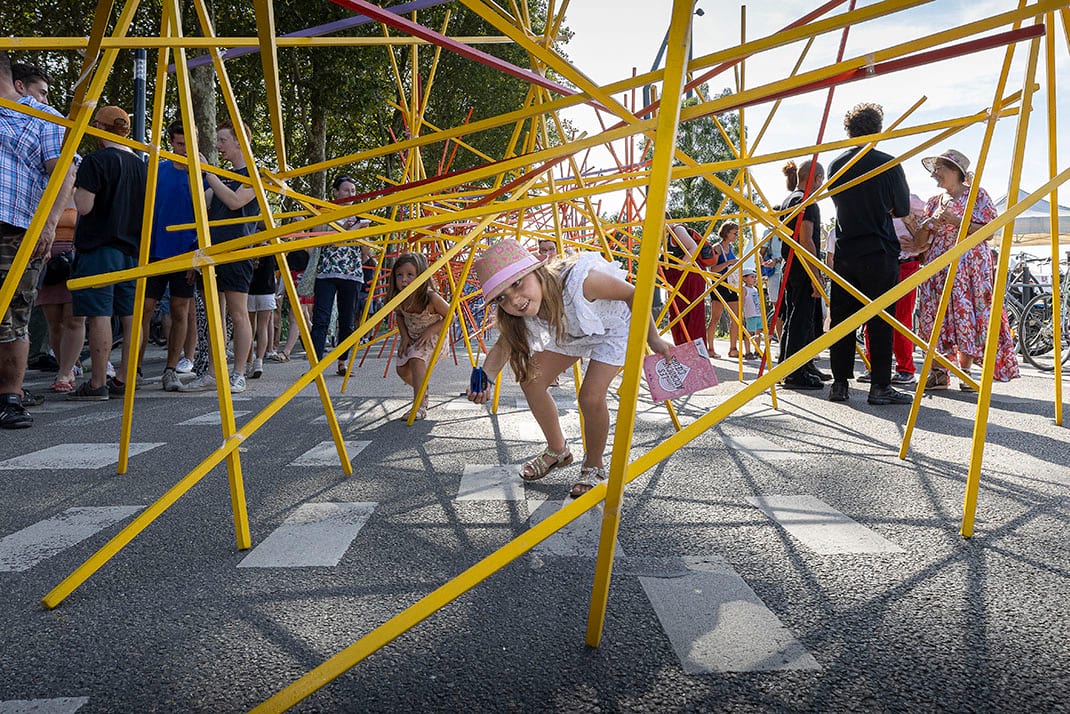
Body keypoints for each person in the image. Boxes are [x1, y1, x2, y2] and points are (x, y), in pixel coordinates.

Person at [467, 240, 673, 498]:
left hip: (614, 327)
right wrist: (484, 377)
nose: (514, 300)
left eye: (518, 283)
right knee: (531, 381)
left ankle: (594, 464)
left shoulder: (580, 282)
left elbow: (634, 293)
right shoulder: (522, 311)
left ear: (537, 271)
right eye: (502, 298)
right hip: (572, 332)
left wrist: (652, 338)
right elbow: (502, 346)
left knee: (589, 397)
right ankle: (558, 451)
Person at [0, 51, 72, 427]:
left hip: (14, 227)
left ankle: (10, 396)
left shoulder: (42, 117)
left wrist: (48, 225)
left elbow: (62, 173)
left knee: (13, 313)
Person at [907, 149, 1019, 390]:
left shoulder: (978, 196)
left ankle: (964, 370)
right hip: (938, 265)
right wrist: (927, 224)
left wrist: (957, 221)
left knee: (966, 313)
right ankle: (938, 371)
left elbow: (989, 231)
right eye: (934, 170)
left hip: (969, 266)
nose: (934, 175)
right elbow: (918, 243)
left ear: (956, 172)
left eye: (939, 169)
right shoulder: (933, 202)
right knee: (935, 314)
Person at [826, 103, 912, 405]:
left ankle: (840, 383)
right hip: (879, 249)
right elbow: (902, 208)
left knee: (843, 319)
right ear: (878, 129)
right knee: (881, 317)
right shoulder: (888, 163)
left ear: (848, 131)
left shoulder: (836, 165)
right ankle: (880, 386)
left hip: (847, 248)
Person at [67, 105, 147, 402]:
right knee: (130, 315)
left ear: (100, 129)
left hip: (100, 247)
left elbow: (84, 206)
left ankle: (97, 381)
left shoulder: (95, 161)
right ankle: (125, 377)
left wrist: (76, 185)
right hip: (133, 250)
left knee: (99, 314)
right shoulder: (142, 165)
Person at [180, 120, 257, 393]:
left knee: (238, 314)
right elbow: (202, 201)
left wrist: (208, 173)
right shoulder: (222, 175)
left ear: (239, 141)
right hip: (213, 252)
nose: (218, 146)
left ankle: (238, 373)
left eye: (223, 140)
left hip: (238, 251)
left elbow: (236, 201)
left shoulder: (253, 174)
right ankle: (213, 372)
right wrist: (196, 173)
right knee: (215, 315)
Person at [143, 120, 199, 392]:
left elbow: (207, 218)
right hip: (153, 252)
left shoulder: (202, 175)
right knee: (143, 309)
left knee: (180, 311)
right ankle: (134, 367)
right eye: (180, 144)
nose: (185, 149)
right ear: (171, 144)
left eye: (189, 144)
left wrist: (197, 255)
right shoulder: (156, 169)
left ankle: (171, 369)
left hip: (186, 254)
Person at [857, 193, 927, 386]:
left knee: (901, 318)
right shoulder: (870, 201)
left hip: (905, 263)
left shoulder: (910, 200)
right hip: (878, 263)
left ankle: (905, 368)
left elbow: (928, 228)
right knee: (873, 317)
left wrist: (919, 244)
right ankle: (874, 366)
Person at [777, 160, 827, 390]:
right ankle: (796, 371)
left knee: (796, 316)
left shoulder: (790, 199)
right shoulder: (805, 201)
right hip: (802, 265)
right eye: (822, 179)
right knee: (801, 318)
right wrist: (817, 274)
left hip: (792, 265)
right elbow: (806, 239)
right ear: (816, 178)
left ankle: (795, 364)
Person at [310, 175, 367, 376]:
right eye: (346, 190)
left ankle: (343, 362)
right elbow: (318, 239)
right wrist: (346, 228)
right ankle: (315, 365)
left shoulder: (361, 215)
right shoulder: (324, 211)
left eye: (353, 191)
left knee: (347, 320)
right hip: (326, 271)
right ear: (335, 191)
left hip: (351, 273)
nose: (350, 194)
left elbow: (366, 252)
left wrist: (361, 231)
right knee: (321, 318)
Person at [389, 252, 450, 420]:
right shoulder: (400, 298)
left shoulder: (431, 298)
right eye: (399, 275)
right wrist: (404, 337)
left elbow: (451, 316)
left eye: (410, 275)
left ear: (421, 276)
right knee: (402, 369)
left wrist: (431, 330)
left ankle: (419, 405)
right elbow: (399, 316)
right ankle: (422, 387)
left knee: (416, 360)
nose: (404, 280)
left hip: (434, 336)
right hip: (413, 337)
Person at [662, 218, 708, 347]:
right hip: (677, 279)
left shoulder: (676, 229)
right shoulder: (664, 235)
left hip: (689, 276)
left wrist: (680, 267)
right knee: (678, 315)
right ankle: (683, 347)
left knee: (691, 314)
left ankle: (694, 350)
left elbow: (693, 247)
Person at [706, 222, 742, 358]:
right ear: (726, 232)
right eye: (734, 233)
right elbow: (712, 269)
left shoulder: (731, 247)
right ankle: (710, 348)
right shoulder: (717, 248)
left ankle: (733, 348)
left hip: (731, 285)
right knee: (715, 317)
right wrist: (728, 263)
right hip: (719, 285)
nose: (736, 235)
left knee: (737, 317)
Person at [740, 267, 763, 360]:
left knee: (758, 333)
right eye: (752, 277)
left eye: (755, 277)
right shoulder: (744, 289)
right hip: (751, 315)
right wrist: (741, 313)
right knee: (749, 334)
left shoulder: (755, 289)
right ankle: (748, 351)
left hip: (758, 314)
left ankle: (757, 350)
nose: (754, 279)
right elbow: (741, 302)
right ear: (744, 278)